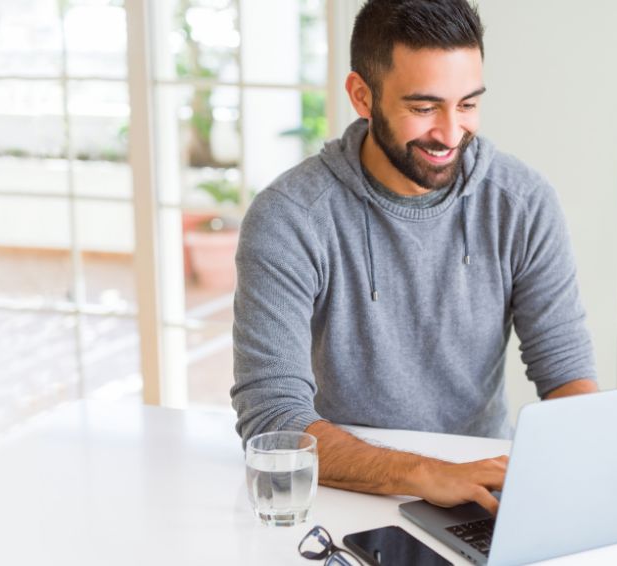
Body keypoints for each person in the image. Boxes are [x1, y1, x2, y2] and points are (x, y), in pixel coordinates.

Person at [230, 0, 598, 516]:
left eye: (467, 104)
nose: (450, 135)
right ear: (362, 95)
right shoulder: (289, 217)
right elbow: (272, 420)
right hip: (344, 491)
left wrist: (587, 462)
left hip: (481, 491)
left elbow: (566, 372)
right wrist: (426, 475)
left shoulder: (523, 202)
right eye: (424, 108)